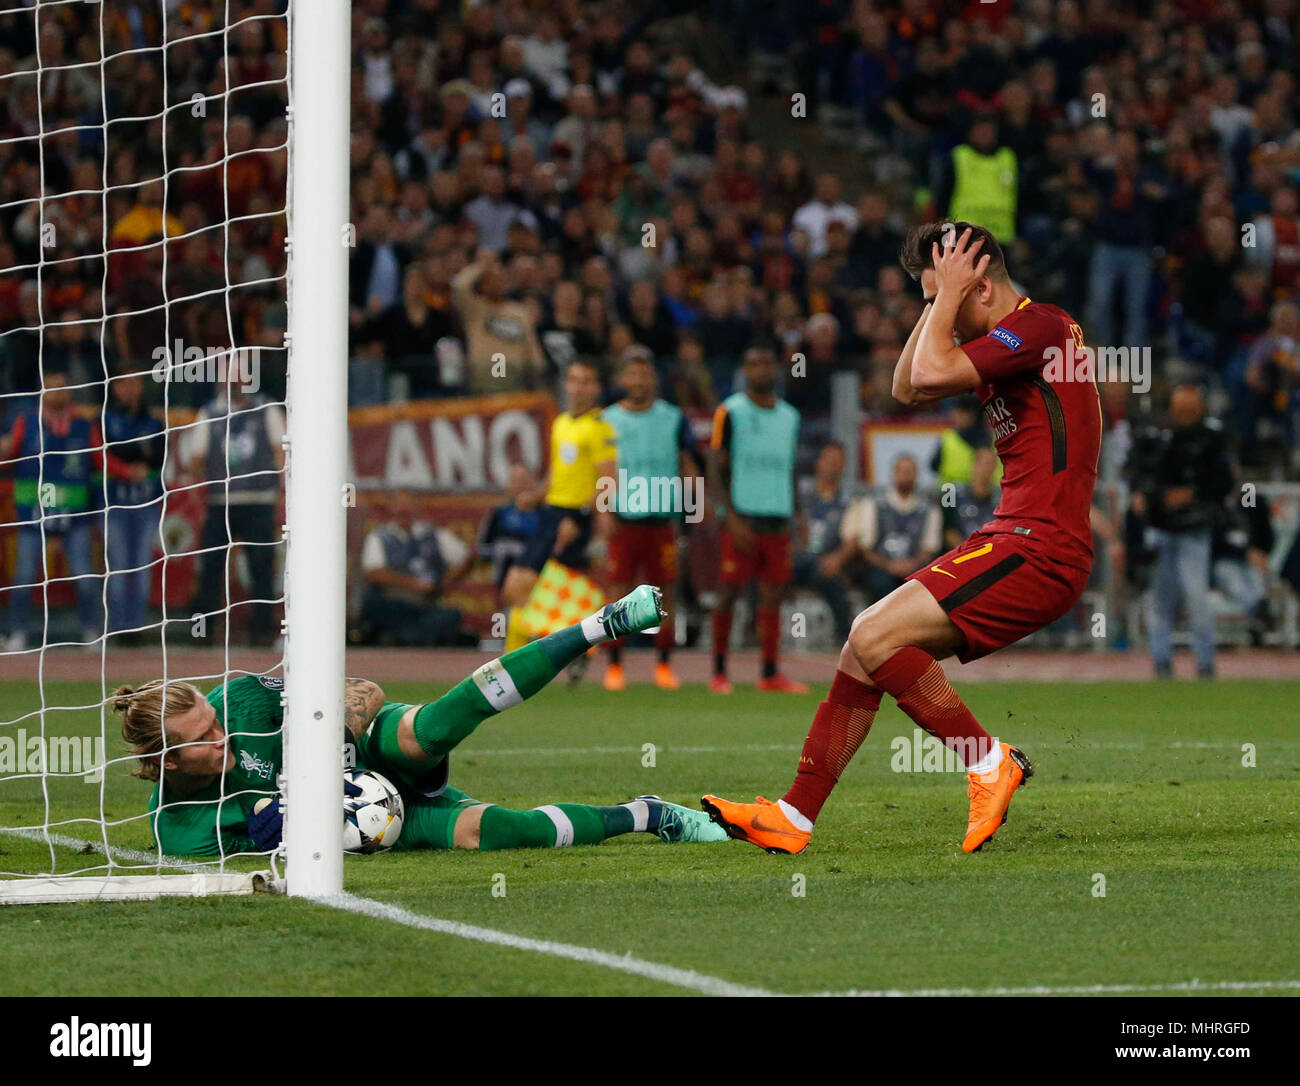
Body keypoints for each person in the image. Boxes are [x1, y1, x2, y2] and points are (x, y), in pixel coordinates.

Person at [703, 222, 1101, 855]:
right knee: (863, 650)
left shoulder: (1041, 327)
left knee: (871, 632)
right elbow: (906, 386)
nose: (933, 308)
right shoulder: (1011, 337)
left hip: (1039, 544)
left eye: (940, 292)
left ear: (979, 282)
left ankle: (987, 760)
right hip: (1015, 534)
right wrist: (940, 297)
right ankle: (794, 816)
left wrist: (948, 295)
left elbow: (932, 368)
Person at [114, 586, 728, 855]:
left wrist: (332, 750)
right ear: (167, 763)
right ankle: (650, 814)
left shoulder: (241, 698)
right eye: (205, 739)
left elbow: (363, 688)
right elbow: (261, 857)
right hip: (372, 825)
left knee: (422, 730)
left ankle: (600, 625)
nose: (223, 734)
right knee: (495, 834)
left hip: (371, 753)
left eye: (216, 722)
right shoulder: (182, 836)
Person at [0, 369, 125, 649]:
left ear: (69, 392)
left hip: (74, 514)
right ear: (43, 391)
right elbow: (9, 455)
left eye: (61, 387)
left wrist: (128, 471)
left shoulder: (82, 426)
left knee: (84, 576)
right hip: (33, 512)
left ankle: (92, 631)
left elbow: (101, 460)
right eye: (51, 387)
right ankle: (18, 633)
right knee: (23, 575)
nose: (57, 393)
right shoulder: (26, 422)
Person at [707, 345, 806, 694]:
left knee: (772, 596)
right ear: (744, 370)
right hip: (743, 517)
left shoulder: (790, 417)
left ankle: (769, 672)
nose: (759, 370)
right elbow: (715, 464)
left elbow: (790, 468)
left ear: (775, 370)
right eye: (752, 363)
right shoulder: (729, 411)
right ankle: (718, 671)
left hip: (777, 517)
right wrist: (728, 515)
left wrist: (799, 514)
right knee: (728, 592)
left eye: (765, 363)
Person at [600, 346, 699, 691]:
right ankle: (614, 665)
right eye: (632, 373)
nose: (638, 379)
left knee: (664, 594)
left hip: (661, 521)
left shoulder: (672, 417)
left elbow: (687, 462)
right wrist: (604, 509)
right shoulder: (608, 419)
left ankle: (664, 664)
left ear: (653, 378)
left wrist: (694, 506)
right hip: (624, 519)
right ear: (621, 378)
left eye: (645, 373)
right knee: (616, 591)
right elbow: (602, 467)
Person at [501, 358, 616, 651]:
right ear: (567, 385)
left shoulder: (600, 428)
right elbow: (558, 471)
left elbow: (608, 479)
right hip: (551, 512)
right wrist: (536, 495)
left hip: (572, 516)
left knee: (521, 586)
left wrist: (582, 518)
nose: (579, 387)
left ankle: (516, 663)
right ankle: (574, 649)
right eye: (575, 380)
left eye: (587, 381)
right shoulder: (562, 422)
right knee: (532, 590)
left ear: (596, 388)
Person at [1126, 386, 1235, 678]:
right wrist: (1141, 493)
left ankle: (1205, 664)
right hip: (1161, 527)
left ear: (1199, 408)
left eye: (1189, 410)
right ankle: (1161, 662)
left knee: (1197, 595)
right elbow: (1137, 470)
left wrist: (1191, 494)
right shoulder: (1157, 435)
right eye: (1179, 411)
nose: (1183, 416)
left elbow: (1224, 482)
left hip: (1194, 528)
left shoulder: (1212, 439)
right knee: (1160, 598)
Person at [186, 354, 285, 646]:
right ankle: (201, 634)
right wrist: (199, 487)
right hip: (221, 502)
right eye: (229, 379)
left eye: (239, 378)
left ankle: (261, 633)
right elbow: (196, 456)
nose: (234, 384)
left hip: (259, 500)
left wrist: (279, 488)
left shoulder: (266, 409)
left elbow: (280, 450)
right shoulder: (210, 413)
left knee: (261, 568)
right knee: (210, 568)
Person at [358, 490, 474, 647]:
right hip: (392, 602)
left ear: (415, 507)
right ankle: (416, 636)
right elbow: (374, 573)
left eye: (407, 506)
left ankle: (405, 637)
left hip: (423, 605)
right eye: (399, 506)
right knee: (371, 603)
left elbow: (466, 557)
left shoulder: (432, 534)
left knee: (453, 615)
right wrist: (413, 584)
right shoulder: (379, 536)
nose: (403, 511)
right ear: (392, 508)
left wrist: (446, 583)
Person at [103, 371, 165, 640]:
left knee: (141, 568)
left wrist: (131, 456)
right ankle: (118, 629)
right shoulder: (104, 419)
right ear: (114, 387)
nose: (131, 388)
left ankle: (136, 629)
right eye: (124, 383)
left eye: (136, 382)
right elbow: (108, 452)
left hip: (145, 503)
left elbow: (158, 457)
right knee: (117, 568)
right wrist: (134, 458)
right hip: (114, 505)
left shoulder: (152, 421)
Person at [841, 453, 943, 604]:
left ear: (916, 475)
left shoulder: (930, 509)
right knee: (880, 585)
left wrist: (912, 564)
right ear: (893, 474)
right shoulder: (874, 504)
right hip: (881, 568)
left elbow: (929, 549)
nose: (905, 476)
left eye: (910, 471)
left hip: (915, 568)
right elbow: (865, 549)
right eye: (901, 471)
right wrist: (890, 566)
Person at [793, 441, 855, 642]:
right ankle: (756, 631)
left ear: (844, 467)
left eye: (837, 461)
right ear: (818, 463)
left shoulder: (848, 501)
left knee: (831, 578)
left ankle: (844, 637)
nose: (832, 465)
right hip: (794, 559)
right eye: (828, 460)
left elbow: (852, 539)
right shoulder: (799, 495)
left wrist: (837, 559)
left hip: (825, 564)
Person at [476, 462, 543, 602]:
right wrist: (502, 549)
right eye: (515, 480)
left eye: (524, 480)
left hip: (540, 585)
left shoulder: (547, 514)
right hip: (508, 586)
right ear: (509, 485)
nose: (520, 485)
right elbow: (482, 549)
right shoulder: (499, 513)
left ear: (534, 482)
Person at [942, 445, 1000, 548]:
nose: (988, 469)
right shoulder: (951, 493)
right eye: (985, 464)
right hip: (959, 553)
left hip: (990, 553)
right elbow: (948, 531)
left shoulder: (1001, 499)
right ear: (974, 464)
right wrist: (966, 551)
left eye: (992, 464)